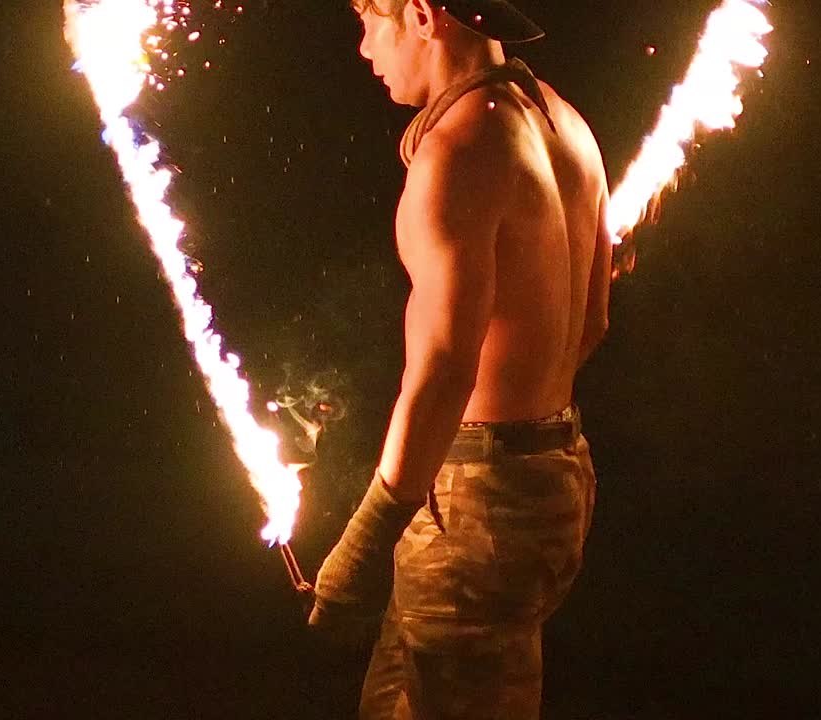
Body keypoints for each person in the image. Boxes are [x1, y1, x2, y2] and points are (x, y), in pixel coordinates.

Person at [309, 0, 611, 717]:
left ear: (420, 16)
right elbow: (592, 322)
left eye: (367, 19)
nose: (362, 47)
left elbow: (446, 368)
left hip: (480, 507)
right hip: (555, 476)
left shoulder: (459, 151)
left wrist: (367, 537)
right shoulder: (566, 124)